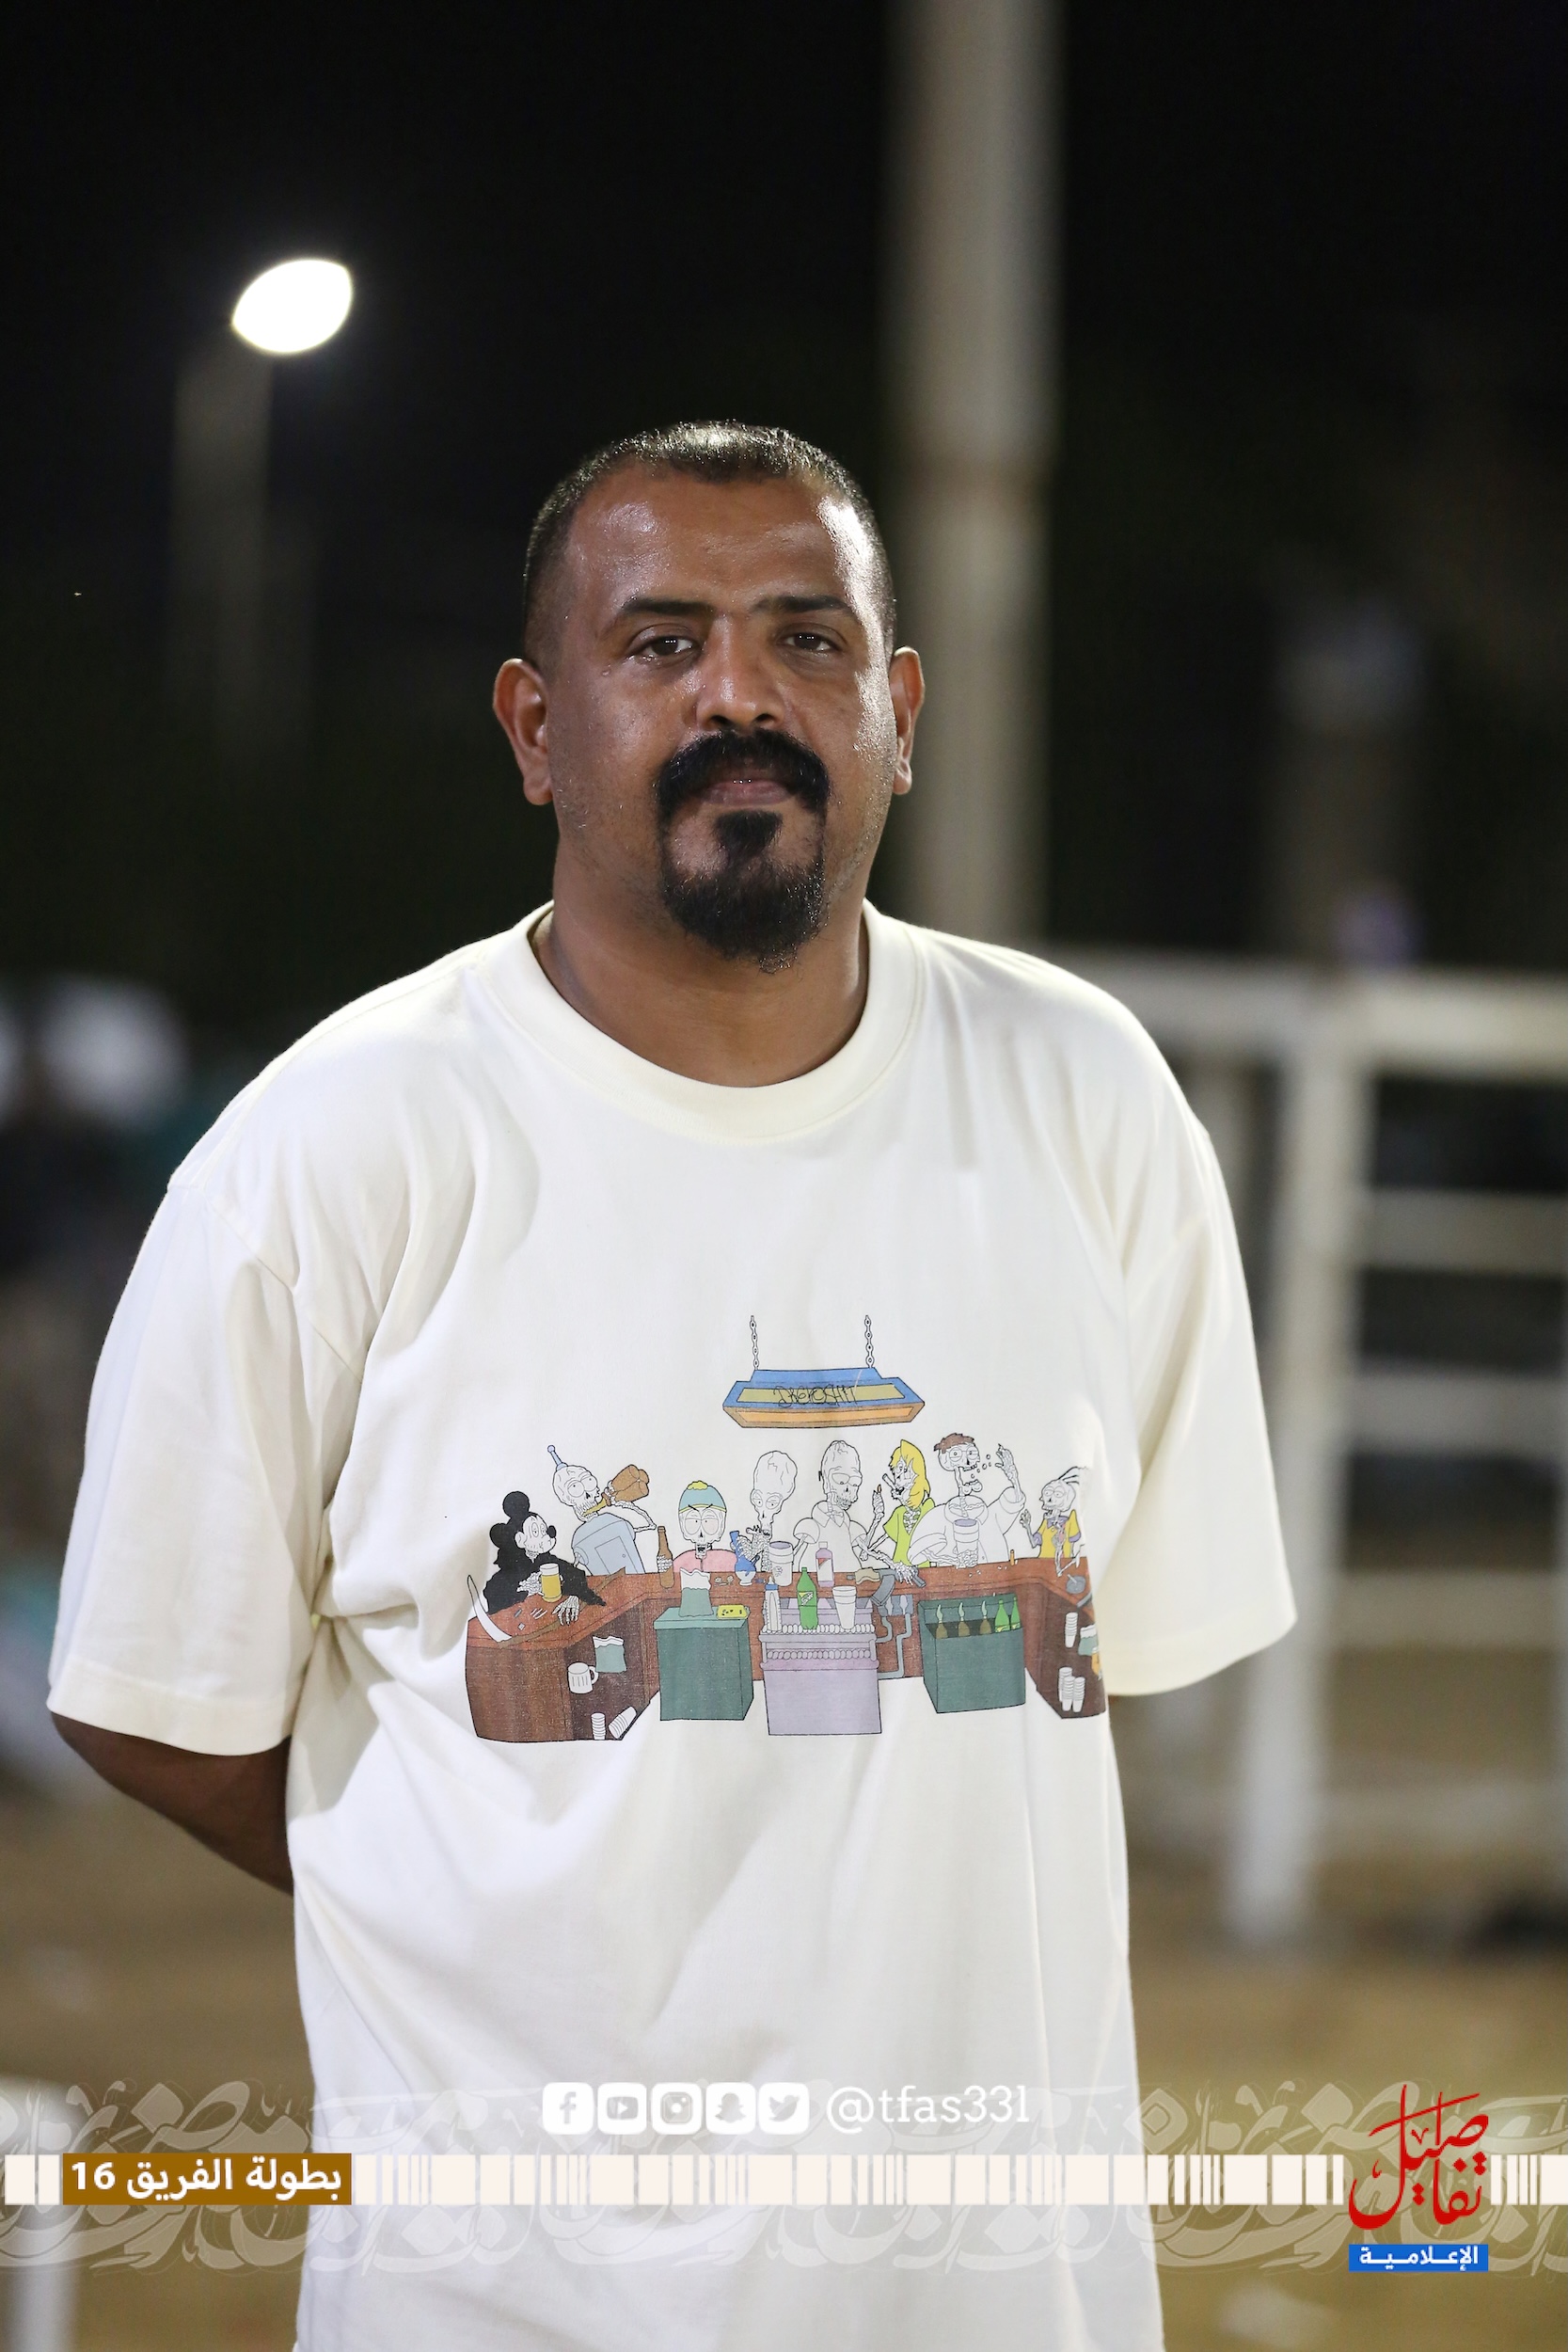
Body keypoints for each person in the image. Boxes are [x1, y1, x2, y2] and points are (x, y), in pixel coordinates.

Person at [48, 421, 1293, 2352]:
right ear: (536, 727)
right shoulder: (334, 1149)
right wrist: (464, 1884)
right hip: (503, 2301)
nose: (739, 692)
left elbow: (1075, 1661)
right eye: (660, 642)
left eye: (806, 639)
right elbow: (157, 1703)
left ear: (897, 712)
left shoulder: (1088, 1098)